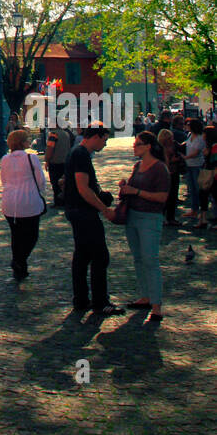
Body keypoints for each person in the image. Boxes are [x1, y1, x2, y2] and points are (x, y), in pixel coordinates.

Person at [64, 124, 125, 316]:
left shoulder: (76, 153)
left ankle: (81, 299)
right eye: (105, 140)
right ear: (96, 137)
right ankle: (100, 301)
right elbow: (83, 188)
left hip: (75, 209)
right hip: (83, 211)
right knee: (99, 256)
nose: (105, 145)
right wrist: (104, 209)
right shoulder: (81, 154)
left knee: (82, 256)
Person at [118, 129, 170, 322]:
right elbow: (132, 189)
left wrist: (137, 191)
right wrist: (125, 187)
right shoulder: (138, 166)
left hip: (150, 217)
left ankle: (156, 305)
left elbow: (162, 197)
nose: (134, 147)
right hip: (132, 216)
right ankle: (145, 296)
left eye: (137, 144)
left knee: (150, 259)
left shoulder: (159, 169)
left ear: (148, 146)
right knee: (138, 258)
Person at [0, 127, 48, 278]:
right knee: (32, 236)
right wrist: (40, 191)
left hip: (9, 201)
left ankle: (20, 267)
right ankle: (19, 261)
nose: (29, 141)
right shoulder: (31, 158)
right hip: (28, 200)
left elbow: (3, 179)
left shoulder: (5, 159)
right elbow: (40, 179)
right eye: (27, 139)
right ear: (21, 142)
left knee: (16, 235)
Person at [181, 116, 206, 220]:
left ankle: (201, 210)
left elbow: (196, 152)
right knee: (191, 188)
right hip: (189, 164)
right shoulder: (189, 135)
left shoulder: (200, 138)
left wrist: (185, 157)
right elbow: (186, 144)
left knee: (197, 188)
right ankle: (194, 209)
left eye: (188, 125)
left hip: (197, 165)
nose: (186, 126)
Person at [157, 128, 182, 226]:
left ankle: (171, 217)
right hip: (165, 174)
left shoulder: (174, 146)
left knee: (173, 196)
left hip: (174, 172)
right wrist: (172, 160)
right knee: (164, 196)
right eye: (169, 138)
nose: (171, 140)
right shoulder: (159, 149)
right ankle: (162, 217)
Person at [44, 121, 73, 207]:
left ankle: (58, 201)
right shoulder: (66, 134)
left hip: (55, 162)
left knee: (55, 183)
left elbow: (50, 148)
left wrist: (47, 160)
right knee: (64, 182)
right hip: (65, 161)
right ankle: (66, 200)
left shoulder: (53, 134)